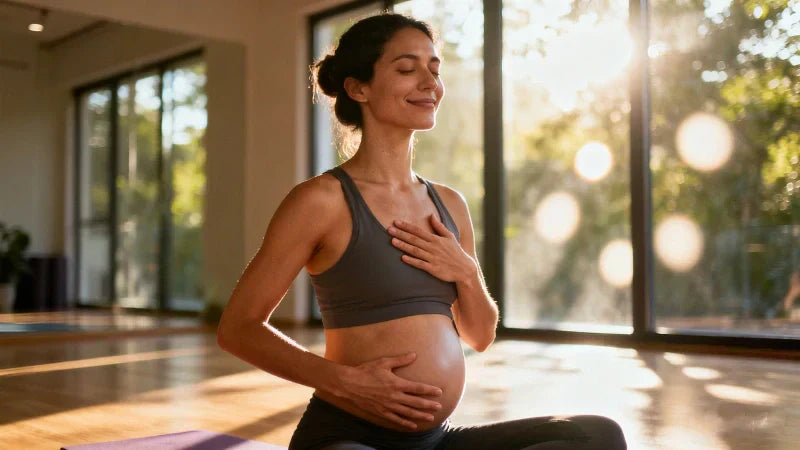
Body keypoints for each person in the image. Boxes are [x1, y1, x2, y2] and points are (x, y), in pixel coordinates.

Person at [217, 12, 627, 450]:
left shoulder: (449, 204)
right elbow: (238, 328)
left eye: (434, 69)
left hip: (435, 442)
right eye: (407, 69)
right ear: (359, 88)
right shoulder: (321, 201)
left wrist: (465, 273)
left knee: (595, 436)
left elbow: (481, 335)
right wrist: (343, 381)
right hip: (348, 438)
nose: (430, 84)